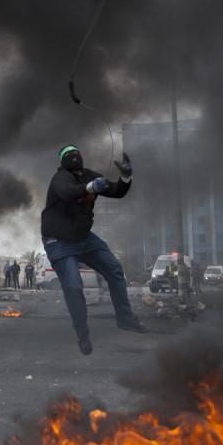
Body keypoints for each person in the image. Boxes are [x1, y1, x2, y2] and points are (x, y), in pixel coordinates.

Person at [41, 145, 148, 355]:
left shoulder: (91, 175)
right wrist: (90, 187)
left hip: (84, 238)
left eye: (75, 154)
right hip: (59, 241)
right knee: (73, 286)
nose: (73, 158)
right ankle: (82, 333)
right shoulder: (60, 178)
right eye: (68, 156)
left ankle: (126, 319)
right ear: (63, 162)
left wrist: (126, 177)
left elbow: (117, 191)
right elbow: (67, 192)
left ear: (81, 157)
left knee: (115, 270)